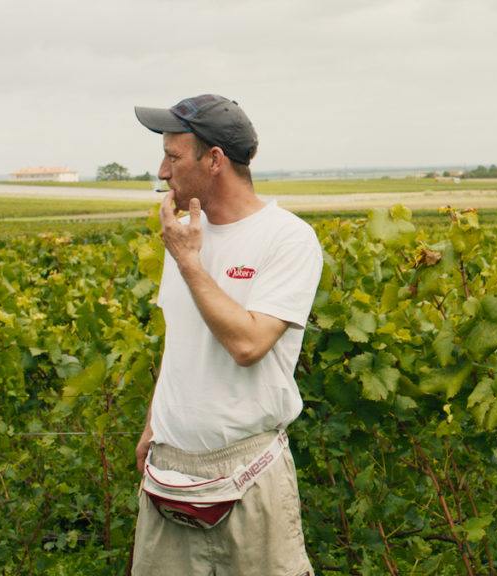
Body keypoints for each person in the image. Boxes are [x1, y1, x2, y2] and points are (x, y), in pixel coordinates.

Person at [130, 94, 322, 576]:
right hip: (168, 471)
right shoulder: (186, 233)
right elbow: (181, 341)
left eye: (173, 157)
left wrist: (190, 262)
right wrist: (153, 428)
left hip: (247, 472)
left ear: (214, 160)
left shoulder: (287, 238)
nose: (161, 171)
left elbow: (248, 345)